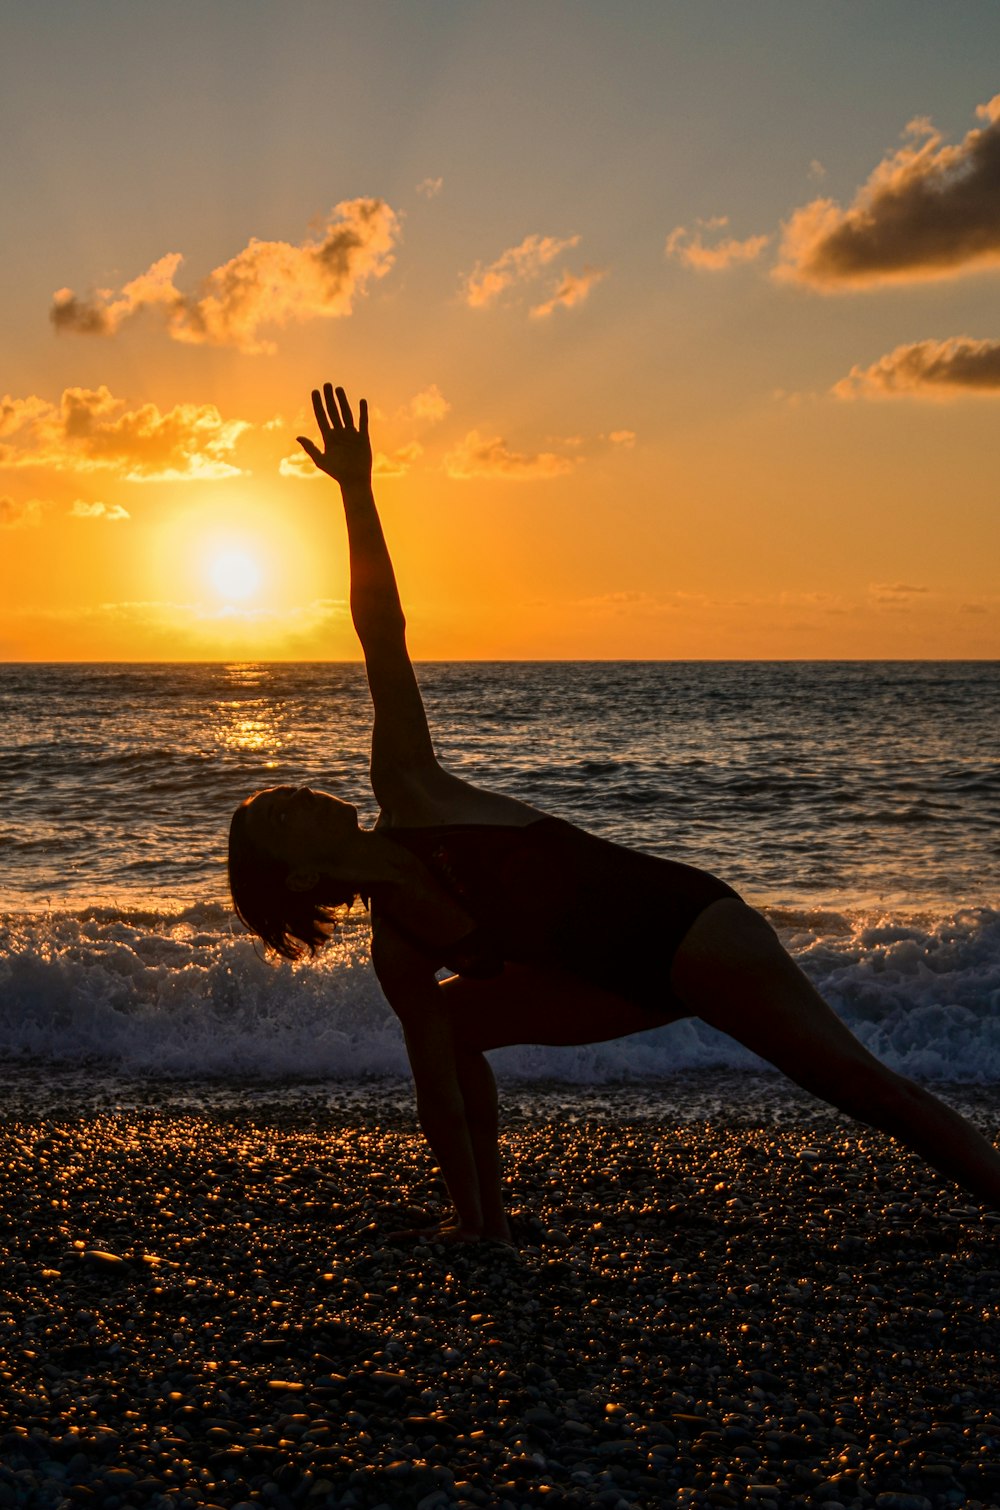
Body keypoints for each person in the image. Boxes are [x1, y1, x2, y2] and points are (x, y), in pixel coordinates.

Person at [229, 384, 1000, 1245]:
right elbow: (437, 1091)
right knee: (445, 1032)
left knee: (864, 1090)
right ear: (299, 874)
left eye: (285, 791)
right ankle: (480, 1221)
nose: (295, 792)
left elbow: (383, 631)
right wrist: (470, 1214)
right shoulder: (400, 954)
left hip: (690, 929)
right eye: (280, 815)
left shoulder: (410, 788)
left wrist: (356, 491)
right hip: (611, 983)